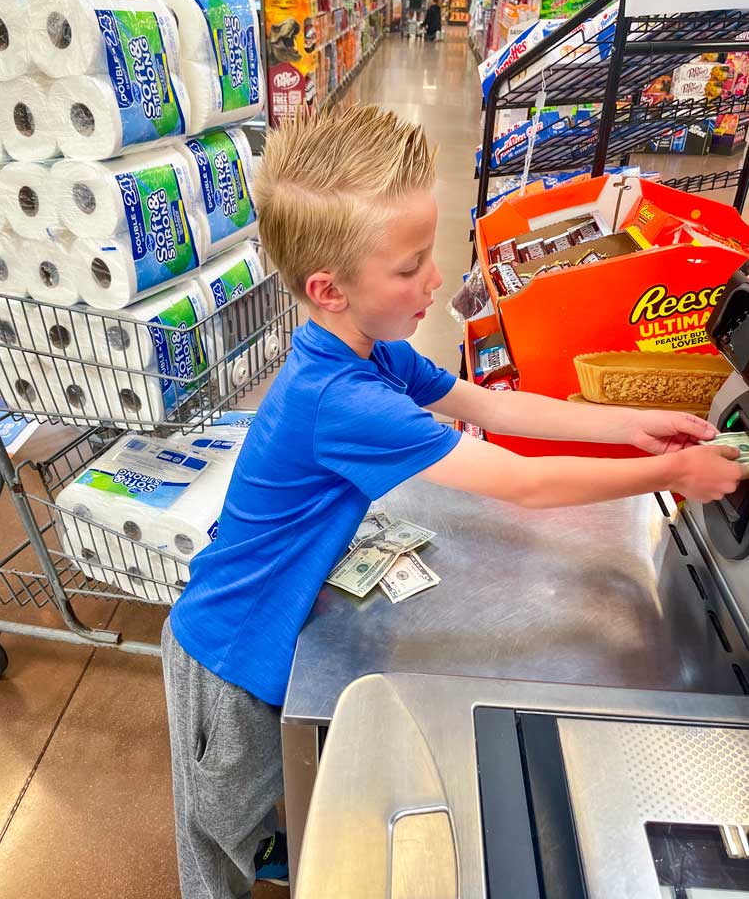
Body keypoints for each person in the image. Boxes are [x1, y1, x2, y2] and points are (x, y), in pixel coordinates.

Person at [160, 104, 741, 899]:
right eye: (408, 270)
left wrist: (631, 424)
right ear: (329, 289)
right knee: (217, 844)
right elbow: (526, 484)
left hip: (265, 624)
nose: (435, 280)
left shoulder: (373, 354)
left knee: (257, 810)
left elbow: (494, 408)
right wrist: (670, 476)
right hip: (225, 651)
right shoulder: (340, 397)